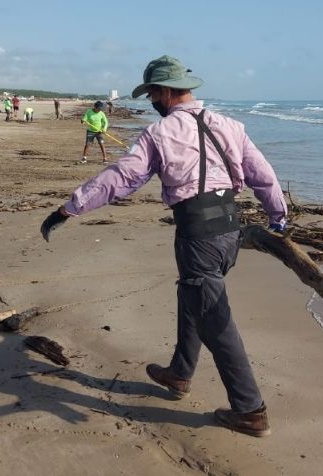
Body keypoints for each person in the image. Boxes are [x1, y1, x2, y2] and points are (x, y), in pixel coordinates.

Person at [39, 55, 287, 437]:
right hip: (229, 232)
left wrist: (71, 207)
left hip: (197, 234)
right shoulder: (230, 126)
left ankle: (250, 410)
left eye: (153, 92)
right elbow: (262, 174)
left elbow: (125, 176)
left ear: (167, 92)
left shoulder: (160, 134)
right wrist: (278, 217)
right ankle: (180, 373)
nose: (151, 100)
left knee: (216, 321)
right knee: (194, 293)